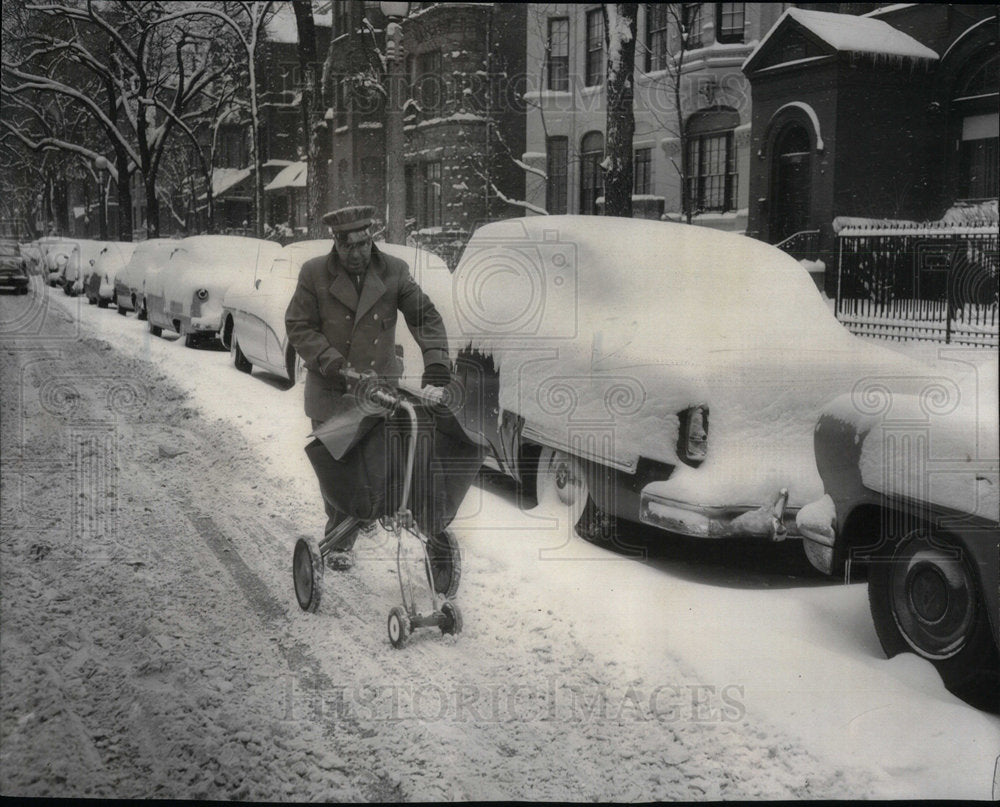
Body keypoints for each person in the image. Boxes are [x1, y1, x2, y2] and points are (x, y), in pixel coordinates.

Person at [285, 205, 451, 569]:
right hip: (334, 392)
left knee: (384, 464)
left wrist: (437, 364)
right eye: (349, 246)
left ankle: (375, 515)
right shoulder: (314, 274)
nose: (358, 253)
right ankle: (341, 537)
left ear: (371, 238)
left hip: (380, 391)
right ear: (337, 245)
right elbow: (299, 327)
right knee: (341, 474)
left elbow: (424, 314)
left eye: (364, 243)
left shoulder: (394, 271)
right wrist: (334, 364)